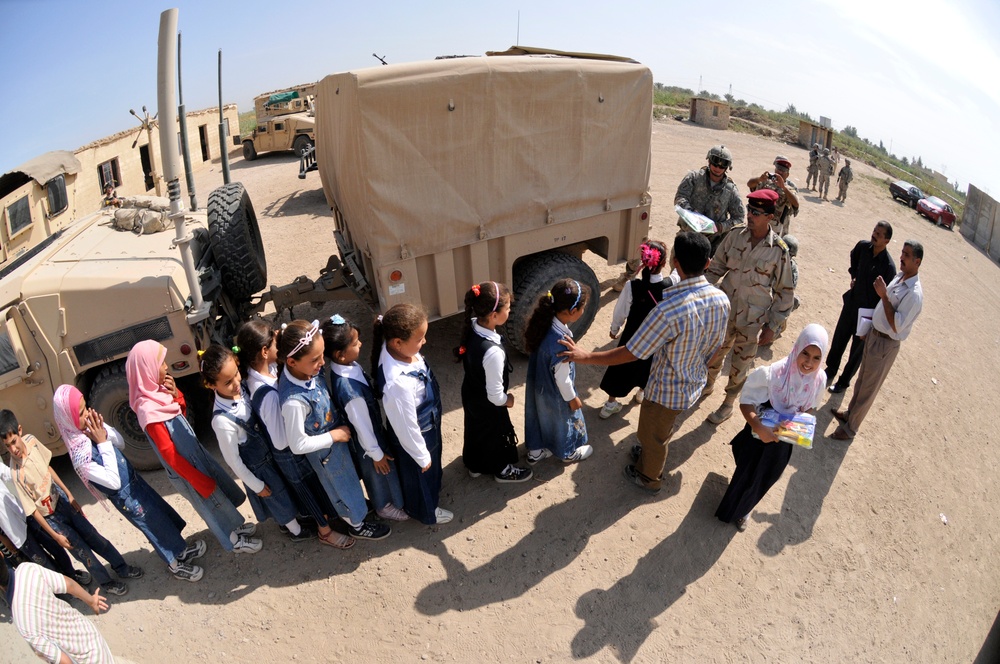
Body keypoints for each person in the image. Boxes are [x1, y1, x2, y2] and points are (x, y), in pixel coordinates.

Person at [559, 232, 730, 493]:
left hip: (666, 392)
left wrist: (587, 356)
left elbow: (631, 352)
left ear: (675, 262)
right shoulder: (721, 299)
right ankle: (649, 450)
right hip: (692, 383)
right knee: (660, 430)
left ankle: (649, 477)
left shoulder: (668, 310)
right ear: (708, 263)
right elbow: (718, 346)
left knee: (654, 434)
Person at [52, 384, 206, 582]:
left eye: (85, 407)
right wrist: (101, 442)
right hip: (127, 498)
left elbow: (121, 442)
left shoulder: (93, 431)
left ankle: (180, 551)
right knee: (153, 527)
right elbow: (113, 482)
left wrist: (104, 433)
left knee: (160, 516)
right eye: (81, 413)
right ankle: (174, 564)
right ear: (68, 419)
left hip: (134, 483)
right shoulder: (81, 459)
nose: (88, 415)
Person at [125, 340, 262, 555]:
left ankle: (235, 527)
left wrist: (175, 395)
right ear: (147, 369)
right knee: (211, 505)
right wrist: (197, 479)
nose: (165, 367)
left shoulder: (157, 392)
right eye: (160, 364)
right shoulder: (147, 411)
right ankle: (232, 540)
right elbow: (170, 455)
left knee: (218, 497)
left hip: (195, 457)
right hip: (187, 471)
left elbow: (179, 412)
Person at [1, 410, 142, 597]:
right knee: (83, 553)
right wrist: (55, 536)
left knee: (94, 536)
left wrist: (69, 495)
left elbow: (48, 468)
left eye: (13, 442)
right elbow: (33, 511)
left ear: (19, 431)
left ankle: (122, 567)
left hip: (63, 501)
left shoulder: (32, 442)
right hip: (51, 518)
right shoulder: (15, 473)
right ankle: (107, 583)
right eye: (7, 446)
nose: (13, 449)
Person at [235, 319, 350, 549]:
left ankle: (331, 518)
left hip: (294, 448)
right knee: (309, 491)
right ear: (265, 351)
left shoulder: (262, 371)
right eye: (276, 343)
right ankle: (324, 531)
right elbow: (281, 440)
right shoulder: (266, 395)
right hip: (289, 454)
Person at [277, 320, 391, 541]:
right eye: (315, 360)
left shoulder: (305, 370)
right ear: (291, 361)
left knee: (349, 483)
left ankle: (355, 509)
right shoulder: (293, 402)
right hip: (327, 455)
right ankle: (356, 524)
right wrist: (333, 435)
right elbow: (298, 444)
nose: (322, 362)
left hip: (336, 446)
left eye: (322, 356)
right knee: (342, 488)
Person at [715, 324, 829, 531]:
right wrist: (758, 428)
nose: (809, 362)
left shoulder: (819, 380)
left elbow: (811, 408)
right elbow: (746, 402)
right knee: (746, 472)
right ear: (797, 348)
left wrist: (798, 426)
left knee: (765, 477)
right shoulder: (773, 374)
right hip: (758, 435)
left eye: (816, 358)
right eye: (805, 353)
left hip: (782, 441)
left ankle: (744, 510)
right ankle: (731, 510)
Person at [201, 345, 315, 544]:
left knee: (285, 490)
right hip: (259, 469)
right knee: (277, 498)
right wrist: (257, 485)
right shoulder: (222, 421)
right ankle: (294, 530)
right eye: (228, 382)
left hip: (270, 455)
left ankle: (296, 519)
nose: (237, 382)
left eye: (236, 374)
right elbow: (233, 461)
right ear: (211, 385)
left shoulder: (242, 388)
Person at [703, 189, 795, 425]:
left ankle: (728, 404)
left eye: (756, 212)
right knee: (714, 353)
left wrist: (772, 326)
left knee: (740, 364)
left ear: (770, 217)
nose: (750, 215)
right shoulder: (735, 236)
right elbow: (716, 268)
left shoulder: (779, 251)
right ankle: (708, 385)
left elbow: (785, 292)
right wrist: (700, 292)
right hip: (725, 310)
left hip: (753, 320)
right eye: (749, 210)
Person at [830, 240, 924, 440]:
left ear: (917, 261)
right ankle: (849, 415)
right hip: (874, 335)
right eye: (902, 253)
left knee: (869, 388)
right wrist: (870, 328)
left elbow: (897, 325)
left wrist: (883, 296)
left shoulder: (914, 294)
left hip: (885, 344)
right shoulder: (900, 277)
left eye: (907, 255)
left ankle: (851, 428)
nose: (901, 257)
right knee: (862, 380)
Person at [322, 314, 413, 514]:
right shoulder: (350, 392)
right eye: (355, 343)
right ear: (340, 354)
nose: (360, 344)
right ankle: (385, 506)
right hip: (369, 444)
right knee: (380, 473)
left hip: (372, 436)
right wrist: (376, 453)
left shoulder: (348, 366)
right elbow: (362, 425)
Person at [373, 305, 453, 525]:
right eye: (419, 339)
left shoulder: (400, 351)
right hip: (419, 434)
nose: (424, 342)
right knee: (419, 474)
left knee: (431, 467)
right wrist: (421, 455)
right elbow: (406, 426)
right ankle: (426, 511)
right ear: (397, 342)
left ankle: (432, 487)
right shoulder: (397, 384)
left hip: (429, 424)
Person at [454, 283, 533, 483]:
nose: (509, 310)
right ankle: (503, 470)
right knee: (494, 435)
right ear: (494, 316)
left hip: (471, 392)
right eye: (507, 308)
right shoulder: (493, 352)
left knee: (475, 429)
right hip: (489, 404)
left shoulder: (473, 325)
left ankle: (475, 465)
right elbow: (495, 396)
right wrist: (508, 400)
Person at [598, 240, 673, 419]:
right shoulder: (670, 287)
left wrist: (614, 329)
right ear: (663, 263)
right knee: (648, 366)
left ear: (643, 261)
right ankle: (641, 392)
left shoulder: (633, 286)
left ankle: (610, 404)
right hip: (654, 338)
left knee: (620, 367)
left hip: (632, 337)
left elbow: (621, 310)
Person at [522, 279, 594, 466]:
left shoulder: (543, 323)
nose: (583, 310)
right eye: (583, 307)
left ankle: (535, 452)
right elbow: (562, 379)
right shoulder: (562, 343)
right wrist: (572, 399)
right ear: (572, 312)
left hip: (538, 383)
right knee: (561, 419)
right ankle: (567, 452)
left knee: (537, 415)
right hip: (555, 392)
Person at [826, 222, 897, 394]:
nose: (874, 235)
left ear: (886, 240)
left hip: (867, 315)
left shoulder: (888, 267)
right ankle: (830, 371)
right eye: (874, 231)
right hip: (851, 304)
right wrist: (854, 276)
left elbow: (886, 297)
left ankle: (843, 383)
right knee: (839, 340)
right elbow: (853, 257)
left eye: (879, 234)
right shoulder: (863, 247)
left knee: (856, 352)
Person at [1, 561, 116, 664]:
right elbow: (69, 585)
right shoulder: (27, 570)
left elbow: (64, 661)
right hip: (90, 635)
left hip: (86, 659)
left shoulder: (22, 624)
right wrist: (92, 602)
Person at [0, 457, 91, 586]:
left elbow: (11, 475)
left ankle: (71, 574)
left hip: (26, 514)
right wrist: (4, 540)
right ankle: (64, 588)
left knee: (56, 547)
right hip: (15, 533)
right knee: (43, 563)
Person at [674, 145, 746, 255]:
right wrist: (692, 215)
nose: (717, 168)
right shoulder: (693, 178)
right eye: (715, 163)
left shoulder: (730, 190)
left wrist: (721, 226)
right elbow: (680, 198)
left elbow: (739, 218)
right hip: (687, 236)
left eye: (722, 166)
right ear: (709, 161)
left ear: (727, 167)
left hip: (712, 245)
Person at [747, 156, 799, 236]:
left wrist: (784, 188)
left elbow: (796, 204)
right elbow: (749, 184)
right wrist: (759, 179)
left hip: (775, 225)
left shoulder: (789, 189)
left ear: (787, 175)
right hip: (759, 219)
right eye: (779, 168)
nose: (780, 172)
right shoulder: (766, 181)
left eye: (784, 170)